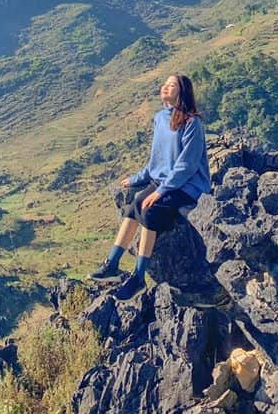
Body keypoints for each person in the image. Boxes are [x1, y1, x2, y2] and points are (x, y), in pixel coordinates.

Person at [90, 73, 211, 300]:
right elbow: (156, 159)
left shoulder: (193, 123)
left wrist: (160, 191)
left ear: (182, 92)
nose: (165, 88)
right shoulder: (160, 118)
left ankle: (138, 277)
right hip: (164, 181)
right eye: (165, 84)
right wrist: (137, 179)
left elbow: (187, 165)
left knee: (150, 210)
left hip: (186, 186)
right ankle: (112, 263)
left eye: (172, 85)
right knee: (134, 205)